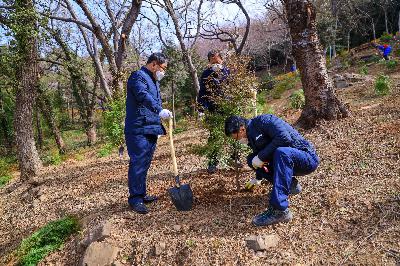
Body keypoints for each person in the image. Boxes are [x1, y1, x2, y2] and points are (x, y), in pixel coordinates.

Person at [224, 114, 320, 226]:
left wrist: (260, 157)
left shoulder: (264, 121)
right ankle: (291, 185)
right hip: (287, 163)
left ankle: (280, 210)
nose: (237, 140)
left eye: (236, 137)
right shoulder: (250, 136)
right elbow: (263, 156)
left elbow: (284, 138)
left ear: (241, 129)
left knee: (281, 152)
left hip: (306, 159)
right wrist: (258, 178)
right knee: (251, 159)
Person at [124, 52, 172, 214]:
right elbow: (143, 96)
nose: (163, 72)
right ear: (154, 65)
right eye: (163, 68)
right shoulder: (138, 77)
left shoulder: (153, 80)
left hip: (151, 128)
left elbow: (153, 102)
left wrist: (159, 123)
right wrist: (159, 110)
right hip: (138, 128)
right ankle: (135, 199)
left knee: (145, 163)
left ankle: (141, 193)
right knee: (138, 163)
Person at [197, 50, 231, 173]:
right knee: (214, 135)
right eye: (212, 61)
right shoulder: (206, 74)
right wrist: (201, 109)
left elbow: (233, 88)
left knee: (233, 131)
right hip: (213, 109)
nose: (215, 63)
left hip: (228, 107)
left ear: (221, 60)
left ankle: (234, 157)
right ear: (209, 62)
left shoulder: (228, 72)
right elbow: (202, 93)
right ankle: (213, 162)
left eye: (217, 60)